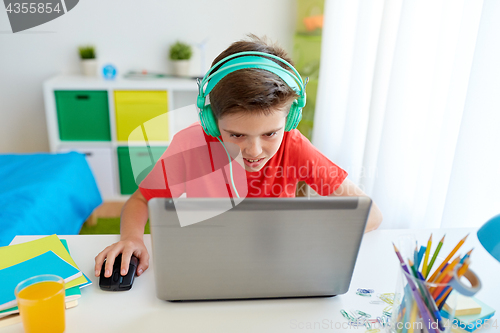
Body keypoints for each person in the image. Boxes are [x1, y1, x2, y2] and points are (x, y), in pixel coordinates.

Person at [94, 35, 383, 280]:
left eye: (270, 134)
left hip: (276, 266)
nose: (254, 151)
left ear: (291, 118)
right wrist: (132, 238)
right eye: (236, 135)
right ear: (210, 121)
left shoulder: (294, 146)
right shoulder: (190, 145)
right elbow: (141, 200)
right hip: (207, 265)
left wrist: (310, 238)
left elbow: (370, 214)